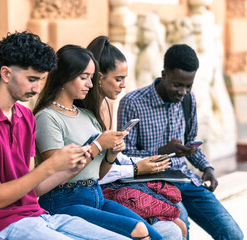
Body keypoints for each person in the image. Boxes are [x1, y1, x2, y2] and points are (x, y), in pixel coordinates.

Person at [0, 31, 132, 240]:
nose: (37, 89)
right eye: (31, 79)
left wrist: (74, 161)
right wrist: (52, 165)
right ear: (6, 74)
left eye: (41, 80)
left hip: (36, 216)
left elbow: (33, 189)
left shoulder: (25, 116)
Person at [33, 44, 164, 240]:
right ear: (64, 76)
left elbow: (98, 173)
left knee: (156, 236)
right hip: (63, 201)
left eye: (91, 78)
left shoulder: (87, 115)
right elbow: (57, 173)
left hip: (96, 195)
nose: (90, 84)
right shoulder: (47, 117)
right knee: (139, 232)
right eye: (83, 77)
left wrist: (111, 153)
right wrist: (98, 145)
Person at [117, 43, 244, 240]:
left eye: (188, 86)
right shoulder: (132, 102)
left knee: (232, 234)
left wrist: (207, 167)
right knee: (181, 222)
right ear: (164, 74)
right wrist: (161, 151)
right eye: (177, 85)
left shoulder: (188, 100)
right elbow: (124, 156)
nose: (182, 92)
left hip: (184, 179)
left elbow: (191, 142)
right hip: (151, 183)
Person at [86, 35, 187, 240]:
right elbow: (94, 170)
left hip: (116, 178)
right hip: (100, 188)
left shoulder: (107, 104)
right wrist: (136, 168)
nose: (123, 85)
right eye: (118, 79)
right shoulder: (84, 111)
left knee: (179, 220)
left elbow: (112, 155)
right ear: (99, 78)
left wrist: (142, 162)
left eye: (125, 78)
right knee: (175, 226)